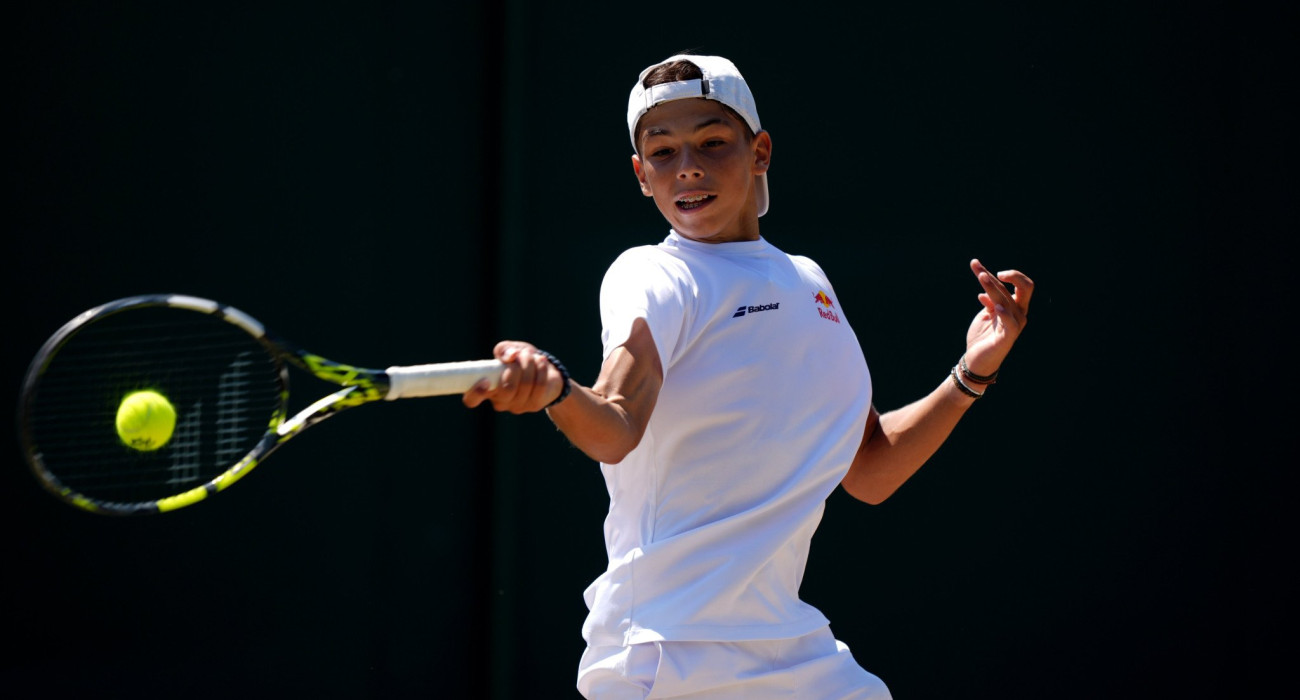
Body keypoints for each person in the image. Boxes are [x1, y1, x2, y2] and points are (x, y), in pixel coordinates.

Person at [463, 54, 1033, 700]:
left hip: (791, 652)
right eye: (663, 152)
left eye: (711, 142)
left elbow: (871, 467)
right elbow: (616, 424)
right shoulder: (652, 275)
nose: (687, 167)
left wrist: (972, 371)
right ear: (641, 175)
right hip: (667, 654)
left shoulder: (809, 283)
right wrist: (558, 392)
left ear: (759, 152)